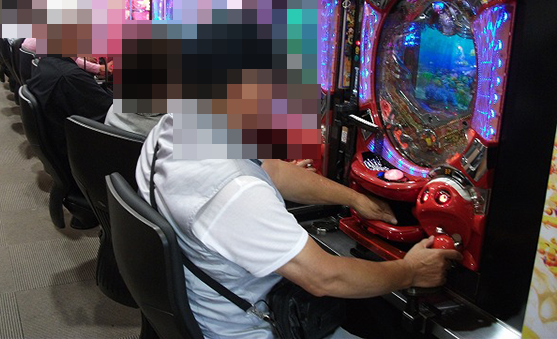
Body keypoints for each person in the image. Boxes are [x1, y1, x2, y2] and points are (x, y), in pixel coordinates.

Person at [137, 114, 461, 339]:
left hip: (204, 308)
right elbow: (325, 277)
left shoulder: (171, 130)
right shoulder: (235, 191)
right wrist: (411, 272)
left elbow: (273, 171)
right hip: (251, 328)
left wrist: (354, 198)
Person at [27, 56, 113, 164]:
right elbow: (111, 111)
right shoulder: (70, 76)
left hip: (60, 141)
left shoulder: (46, 62)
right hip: (78, 153)